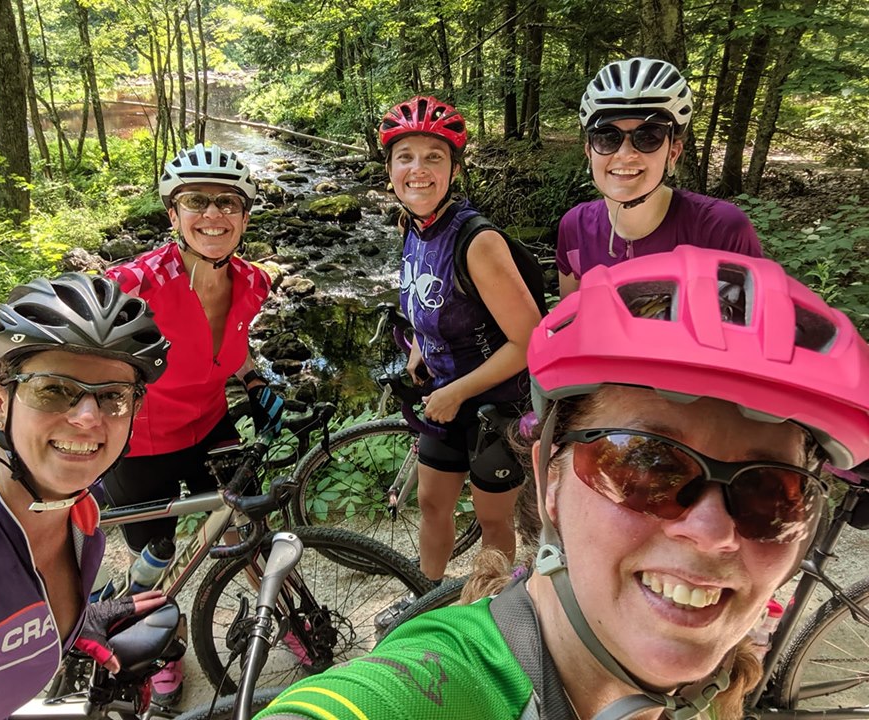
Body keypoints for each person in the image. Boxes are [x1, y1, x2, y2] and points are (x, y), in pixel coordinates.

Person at [254, 245, 869, 720]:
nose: (712, 532)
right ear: (550, 480)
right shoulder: (436, 684)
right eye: (645, 467)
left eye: (770, 494)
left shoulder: (714, 694)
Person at [0, 273, 171, 718]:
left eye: (113, 396)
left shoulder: (82, 511)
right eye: (53, 389)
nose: (88, 417)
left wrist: (69, 625)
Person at [101, 142, 285, 704]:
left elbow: (234, 346)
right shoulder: (133, 284)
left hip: (211, 425)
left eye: (227, 202)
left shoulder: (253, 282)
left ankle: (280, 617)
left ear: (244, 216)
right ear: (173, 214)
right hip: (142, 443)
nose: (213, 215)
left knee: (247, 527)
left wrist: (254, 381)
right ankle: (162, 649)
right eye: (196, 201)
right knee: (154, 556)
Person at [374, 95, 544, 623]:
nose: (418, 170)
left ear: (454, 168)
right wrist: (420, 347)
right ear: (389, 169)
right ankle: (425, 599)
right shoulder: (412, 226)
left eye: (434, 157)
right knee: (431, 503)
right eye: (405, 157)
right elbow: (427, 299)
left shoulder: (477, 241)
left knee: (493, 521)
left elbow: (529, 342)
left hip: (496, 405)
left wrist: (457, 392)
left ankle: (490, 613)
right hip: (444, 396)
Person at [556, 57, 764, 298]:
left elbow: (755, 317)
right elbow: (571, 317)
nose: (625, 154)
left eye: (647, 137)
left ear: (672, 153)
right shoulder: (576, 227)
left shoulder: (720, 230)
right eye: (607, 137)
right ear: (590, 152)